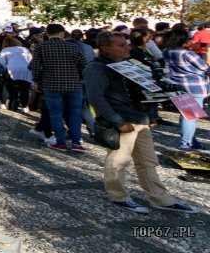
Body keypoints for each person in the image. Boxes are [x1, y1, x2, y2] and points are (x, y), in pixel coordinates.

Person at [84, 31, 196, 215]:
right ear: (105, 48)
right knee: (118, 162)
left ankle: (160, 198)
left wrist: (151, 115)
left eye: (126, 43)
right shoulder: (97, 68)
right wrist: (118, 122)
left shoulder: (127, 64)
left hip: (140, 119)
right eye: (121, 45)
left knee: (148, 161)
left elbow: (141, 91)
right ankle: (118, 196)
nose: (127, 47)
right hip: (122, 121)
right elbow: (96, 98)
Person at [30, 24, 87, 152]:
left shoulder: (41, 47)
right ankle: (77, 142)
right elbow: (84, 65)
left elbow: (35, 66)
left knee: (55, 113)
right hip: (74, 84)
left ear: (47, 33)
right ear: (62, 33)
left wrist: (37, 81)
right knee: (75, 113)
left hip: (51, 84)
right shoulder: (73, 47)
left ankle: (60, 142)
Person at [162, 28, 209, 150]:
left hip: (177, 85)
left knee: (185, 114)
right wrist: (208, 53)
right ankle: (186, 142)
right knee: (190, 116)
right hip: (194, 86)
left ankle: (189, 138)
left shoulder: (166, 52)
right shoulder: (187, 54)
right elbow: (204, 66)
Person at [0, 37, 32, 111]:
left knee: (7, 85)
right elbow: (30, 60)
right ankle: (24, 106)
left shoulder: (5, 50)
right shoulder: (24, 49)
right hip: (26, 70)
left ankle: (3, 104)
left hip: (12, 69)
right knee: (25, 88)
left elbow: (2, 63)